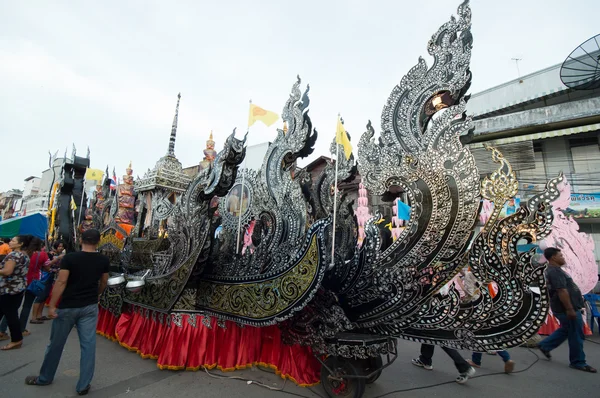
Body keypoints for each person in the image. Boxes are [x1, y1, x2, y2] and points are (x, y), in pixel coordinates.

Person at [25, 229, 109, 395]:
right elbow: (104, 281)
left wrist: (53, 305)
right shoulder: (103, 260)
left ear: (81, 241)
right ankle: (83, 385)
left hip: (68, 305)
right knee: (88, 346)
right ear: (98, 242)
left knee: (56, 344)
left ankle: (45, 377)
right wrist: (97, 294)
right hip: (89, 306)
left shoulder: (70, 258)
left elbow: (61, 282)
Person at [537, 247, 597, 373]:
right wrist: (570, 309)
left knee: (566, 329)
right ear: (553, 257)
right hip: (566, 309)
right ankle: (578, 362)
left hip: (565, 308)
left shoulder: (556, 270)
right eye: (561, 255)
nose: (563, 257)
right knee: (576, 334)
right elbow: (561, 290)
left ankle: (545, 345)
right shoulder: (555, 272)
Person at [455, 267, 515, 374]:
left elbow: (470, 292)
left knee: (478, 334)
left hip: (477, 306)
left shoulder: (469, 274)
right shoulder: (484, 273)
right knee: (487, 335)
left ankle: (477, 360)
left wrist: (465, 295)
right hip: (487, 305)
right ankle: (504, 358)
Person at [0, 238, 45, 340]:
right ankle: (21, 329)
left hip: (11, 287)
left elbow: (7, 271)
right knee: (24, 307)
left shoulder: (16, 255)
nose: (10, 242)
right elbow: (46, 267)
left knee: (9, 311)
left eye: (13, 240)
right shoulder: (38, 255)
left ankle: (3, 331)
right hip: (28, 283)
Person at [31, 240, 65, 323]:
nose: (61, 248)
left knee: (45, 296)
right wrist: (58, 259)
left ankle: (39, 315)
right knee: (40, 297)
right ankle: (33, 317)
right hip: (45, 277)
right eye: (59, 246)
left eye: (62, 246)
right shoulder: (49, 254)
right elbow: (46, 265)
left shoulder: (60, 255)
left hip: (51, 277)